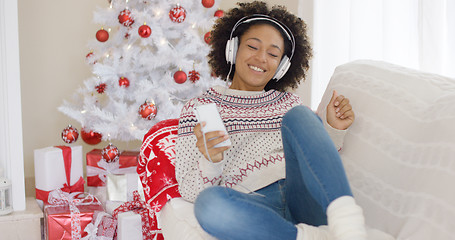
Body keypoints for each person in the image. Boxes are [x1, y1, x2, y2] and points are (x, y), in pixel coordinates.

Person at [175, 1, 366, 240]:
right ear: (232, 49)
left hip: (304, 198)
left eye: (273, 54)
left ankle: (349, 227)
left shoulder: (290, 103)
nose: (262, 58)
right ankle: (302, 236)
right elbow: (191, 190)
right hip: (254, 205)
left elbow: (316, 167)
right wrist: (210, 161)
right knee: (208, 204)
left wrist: (334, 131)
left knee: (300, 115)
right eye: (253, 47)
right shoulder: (199, 108)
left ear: (282, 66)